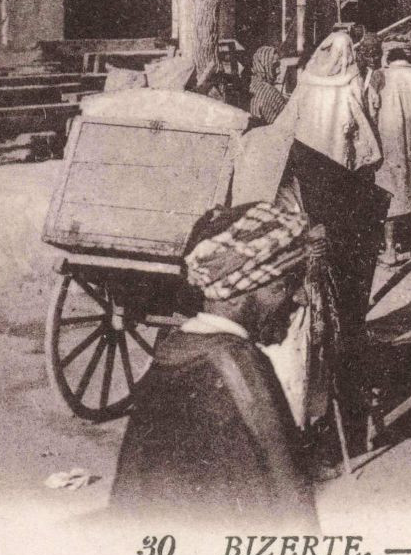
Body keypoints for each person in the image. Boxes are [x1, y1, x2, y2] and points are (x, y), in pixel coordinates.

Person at [109, 201, 319, 531]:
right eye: (282, 286)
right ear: (235, 295)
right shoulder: (240, 367)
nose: (300, 299)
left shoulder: (170, 353)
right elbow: (289, 503)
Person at [274, 31, 381, 171]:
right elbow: (361, 118)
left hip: (306, 145)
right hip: (336, 149)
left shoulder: (308, 79)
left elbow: (289, 116)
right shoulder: (351, 81)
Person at [369, 46, 411, 222]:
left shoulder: (379, 76)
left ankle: (391, 247)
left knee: (389, 191)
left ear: (389, 60)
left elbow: (371, 112)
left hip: (387, 143)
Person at [247, 44, 289, 125]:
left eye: (279, 66)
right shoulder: (268, 92)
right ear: (264, 65)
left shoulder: (253, 86)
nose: (279, 71)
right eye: (274, 66)